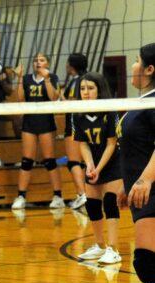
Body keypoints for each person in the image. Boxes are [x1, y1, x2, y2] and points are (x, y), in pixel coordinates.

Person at [117, 42, 155, 283]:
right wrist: (126, 183)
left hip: (152, 190)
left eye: (136, 59)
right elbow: (138, 147)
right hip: (142, 191)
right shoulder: (142, 102)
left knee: (147, 263)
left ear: (149, 68)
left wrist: (144, 180)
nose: (133, 65)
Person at [73, 72, 122, 264]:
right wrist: (89, 165)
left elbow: (111, 143)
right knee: (92, 205)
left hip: (112, 162)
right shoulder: (77, 112)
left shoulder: (109, 110)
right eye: (83, 89)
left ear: (100, 90)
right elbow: (82, 143)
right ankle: (100, 246)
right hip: (93, 162)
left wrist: (98, 168)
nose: (86, 92)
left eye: (90, 88)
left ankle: (113, 248)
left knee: (110, 202)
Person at [12, 52, 64, 209]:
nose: (38, 63)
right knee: (26, 160)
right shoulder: (27, 79)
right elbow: (20, 99)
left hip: (46, 123)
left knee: (49, 160)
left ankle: (58, 196)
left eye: (42, 60)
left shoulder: (53, 78)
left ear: (47, 63)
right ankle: (21, 196)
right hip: (29, 123)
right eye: (35, 60)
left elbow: (53, 98)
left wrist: (46, 79)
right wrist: (20, 78)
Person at [62, 53, 88, 209]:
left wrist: (60, 96)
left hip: (74, 124)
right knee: (85, 161)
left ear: (71, 66)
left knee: (73, 161)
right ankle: (87, 195)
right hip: (89, 124)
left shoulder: (75, 83)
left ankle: (82, 195)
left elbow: (71, 104)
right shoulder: (91, 79)